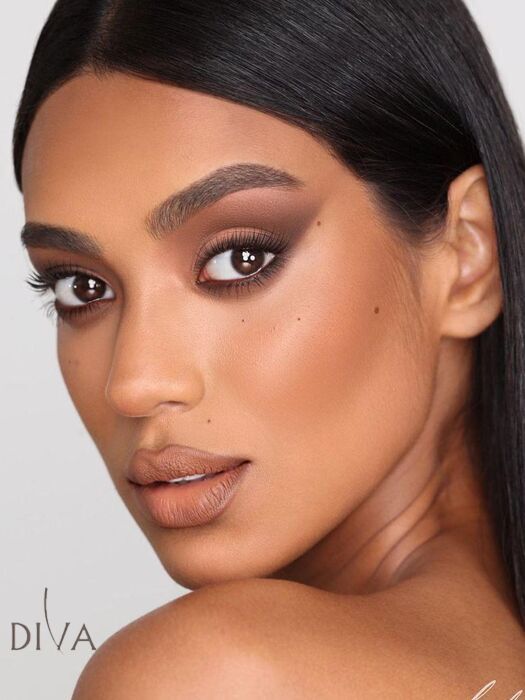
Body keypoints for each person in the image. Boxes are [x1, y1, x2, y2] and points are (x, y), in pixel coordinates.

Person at [12, 0, 525, 697]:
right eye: (82, 287)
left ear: (467, 257)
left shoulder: (211, 675)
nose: (133, 383)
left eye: (240, 258)